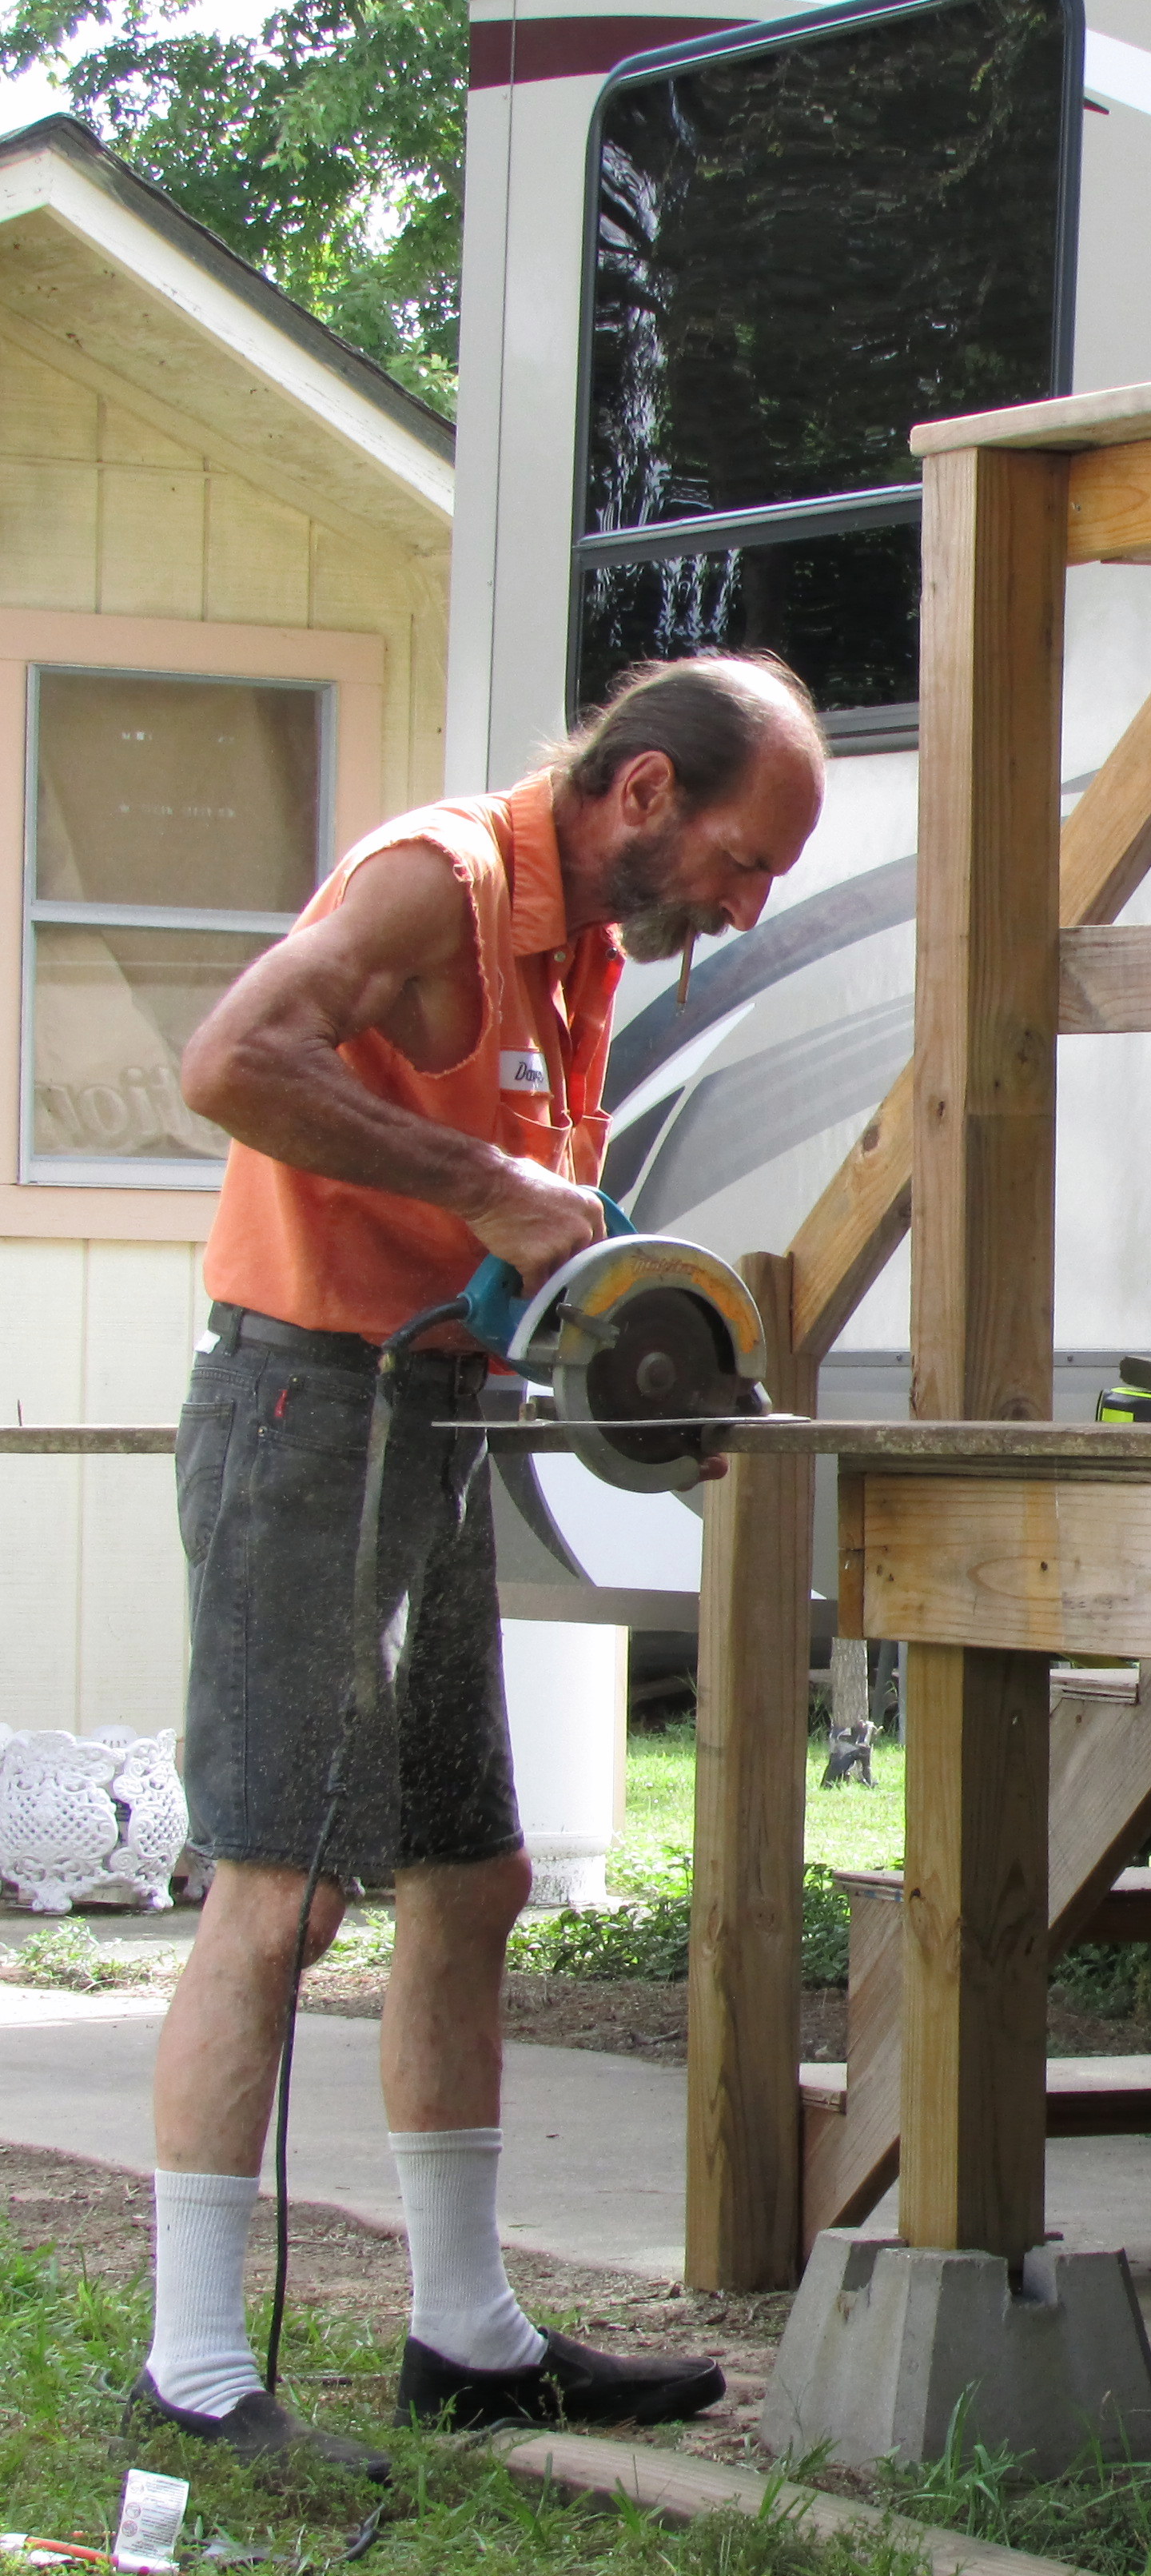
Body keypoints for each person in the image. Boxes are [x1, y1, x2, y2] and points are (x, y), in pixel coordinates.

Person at [137, 652, 826, 2474]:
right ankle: (193, 2370)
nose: (748, 908)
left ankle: (466, 2339)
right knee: (280, 1893)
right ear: (647, 792)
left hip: (428, 1418)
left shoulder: (584, 948)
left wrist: (620, 1341)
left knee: (469, 1875)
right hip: (301, 1414)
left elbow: (529, 1239)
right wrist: (483, 1188)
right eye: (745, 861)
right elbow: (228, 1061)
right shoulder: (434, 881)